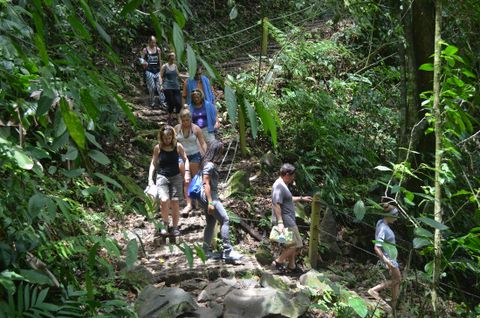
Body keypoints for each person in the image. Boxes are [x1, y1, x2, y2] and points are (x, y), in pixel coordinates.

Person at [199, 140, 242, 262]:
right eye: (221, 151)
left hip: (207, 197)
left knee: (211, 223)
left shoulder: (205, 163)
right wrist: (211, 202)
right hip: (209, 196)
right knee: (225, 219)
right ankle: (228, 252)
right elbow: (205, 183)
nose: (222, 154)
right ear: (216, 151)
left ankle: (205, 251)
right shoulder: (209, 165)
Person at [148, 125, 190, 236]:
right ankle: (165, 224)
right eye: (165, 138)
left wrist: (186, 173)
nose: (167, 140)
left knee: (175, 202)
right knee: (164, 200)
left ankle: (175, 227)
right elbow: (153, 163)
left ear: (172, 137)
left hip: (176, 176)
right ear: (161, 138)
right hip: (162, 177)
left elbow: (186, 159)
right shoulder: (158, 148)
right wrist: (150, 178)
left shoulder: (178, 146)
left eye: (169, 137)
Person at [271, 163, 312, 274]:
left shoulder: (282, 185)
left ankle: (292, 266)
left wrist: (302, 198)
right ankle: (278, 262)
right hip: (286, 220)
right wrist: (280, 222)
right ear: (287, 174)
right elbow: (276, 203)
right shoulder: (279, 185)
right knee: (296, 244)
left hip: (288, 219)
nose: (294, 178)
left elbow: (287, 199)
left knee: (291, 244)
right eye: (293, 175)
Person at [368, 204, 401, 312]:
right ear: (389, 216)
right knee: (397, 279)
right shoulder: (383, 227)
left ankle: (394, 306)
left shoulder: (381, 222)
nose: (396, 219)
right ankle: (373, 290)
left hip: (392, 257)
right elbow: (377, 247)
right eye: (395, 216)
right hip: (389, 259)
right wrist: (386, 261)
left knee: (396, 282)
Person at [175, 109, 208, 214]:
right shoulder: (176, 128)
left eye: (187, 120)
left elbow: (202, 143)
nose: (185, 122)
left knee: (195, 179)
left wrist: (207, 155)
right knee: (186, 180)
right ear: (180, 120)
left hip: (194, 155)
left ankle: (198, 200)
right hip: (181, 156)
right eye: (183, 120)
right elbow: (173, 142)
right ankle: (188, 204)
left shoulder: (196, 129)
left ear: (191, 119)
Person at [160, 52, 184, 122]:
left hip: (176, 86)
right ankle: (169, 117)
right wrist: (161, 85)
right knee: (171, 103)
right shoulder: (164, 66)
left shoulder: (175, 66)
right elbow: (160, 76)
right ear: (169, 57)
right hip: (167, 86)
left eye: (174, 55)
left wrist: (185, 79)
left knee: (179, 103)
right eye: (173, 55)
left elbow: (178, 75)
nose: (174, 57)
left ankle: (177, 117)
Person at [140, 36, 162, 108]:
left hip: (157, 70)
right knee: (152, 87)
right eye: (152, 42)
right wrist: (143, 64)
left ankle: (163, 102)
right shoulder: (145, 50)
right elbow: (141, 59)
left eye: (155, 42)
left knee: (159, 87)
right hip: (149, 70)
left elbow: (160, 60)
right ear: (149, 42)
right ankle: (152, 102)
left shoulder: (158, 50)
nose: (153, 44)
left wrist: (161, 70)